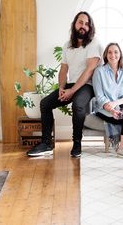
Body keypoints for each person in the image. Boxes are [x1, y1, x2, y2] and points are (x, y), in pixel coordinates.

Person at [27, 11, 103, 158]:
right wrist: (62, 88)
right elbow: (63, 69)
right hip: (72, 84)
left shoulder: (94, 43)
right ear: (75, 24)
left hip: (88, 85)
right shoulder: (67, 45)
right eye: (80, 22)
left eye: (87, 24)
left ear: (90, 27)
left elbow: (89, 71)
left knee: (78, 105)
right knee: (45, 103)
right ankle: (46, 144)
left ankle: (77, 144)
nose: (83, 26)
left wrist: (72, 91)